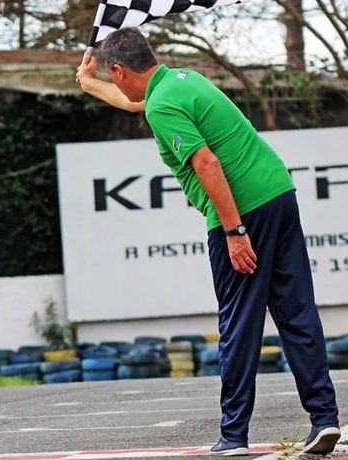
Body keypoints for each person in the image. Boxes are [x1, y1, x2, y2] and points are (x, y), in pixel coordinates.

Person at [77, 27, 341, 456]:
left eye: (112, 74)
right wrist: (90, 82)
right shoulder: (184, 80)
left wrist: (234, 231)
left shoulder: (162, 104)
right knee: (295, 311)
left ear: (121, 69)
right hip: (278, 193)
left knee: (238, 324)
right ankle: (324, 420)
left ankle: (234, 436)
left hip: (242, 211)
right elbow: (135, 102)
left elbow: (205, 161)